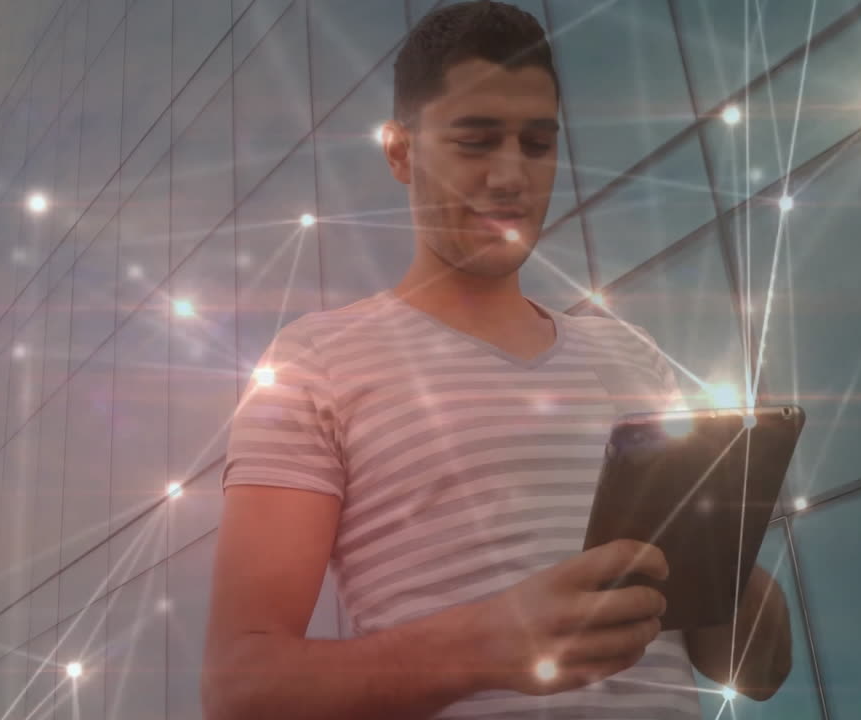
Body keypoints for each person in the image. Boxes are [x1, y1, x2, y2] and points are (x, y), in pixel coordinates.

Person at [201, 2, 792, 718]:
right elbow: (240, 685)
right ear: (400, 152)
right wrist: (487, 643)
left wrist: (725, 559)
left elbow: (749, 670)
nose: (512, 176)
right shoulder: (316, 360)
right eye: (477, 142)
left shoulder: (628, 354)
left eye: (537, 145)